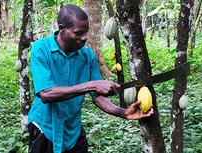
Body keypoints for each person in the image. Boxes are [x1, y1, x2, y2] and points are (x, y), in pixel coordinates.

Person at [27, 4, 153, 153]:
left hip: (72, 131)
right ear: (62, 29)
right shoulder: (41, 49)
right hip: (45, 129)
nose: (85, 37)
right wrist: (91, 85)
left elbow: (97, 97)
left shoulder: (87, 55)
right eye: (78, 33)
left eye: (86, 32)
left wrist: (122, 112)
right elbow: (46, 94)